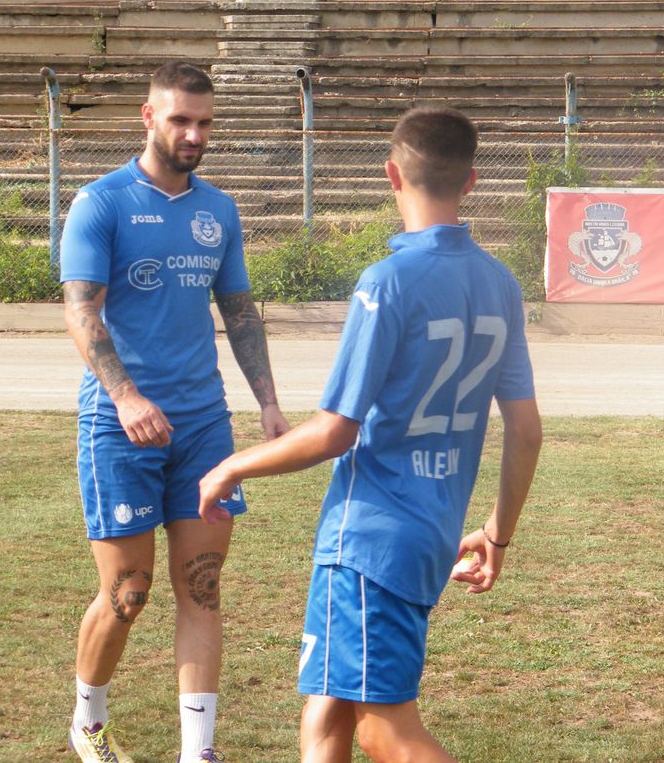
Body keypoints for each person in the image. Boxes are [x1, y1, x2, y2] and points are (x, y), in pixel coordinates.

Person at [197, 105, 543, 762]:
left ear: (391, 174)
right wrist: (497, 533)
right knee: (328, 708)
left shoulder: (386, 283)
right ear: (471, 181)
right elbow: (525, 430)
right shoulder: (501, 285)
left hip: (371, 537)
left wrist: (234, 466)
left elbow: (333, 433)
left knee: (387, 730)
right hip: (431, 533)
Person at [59, 61, 290, 761]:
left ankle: (200, 751)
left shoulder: (218, 210)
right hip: (119, 427)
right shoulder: (101, 203)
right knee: (129, 593)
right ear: (148, 117)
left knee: (204, 587)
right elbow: (80, 311)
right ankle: (88, 722)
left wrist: (271, 405)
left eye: (204, 122)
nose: (194, 133)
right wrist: (127, 397)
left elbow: (240, 313)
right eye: (181, 119)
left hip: (204, 429)